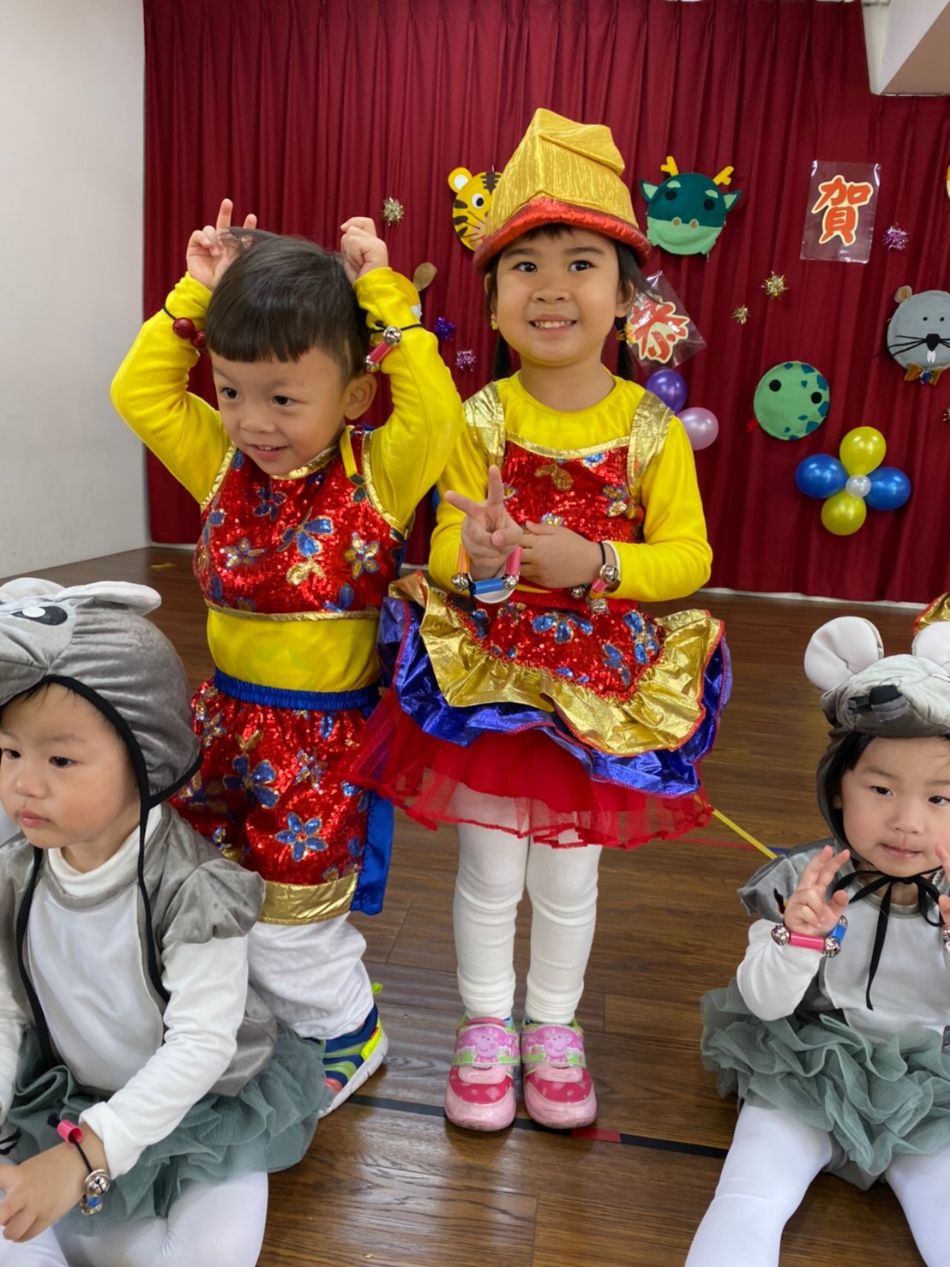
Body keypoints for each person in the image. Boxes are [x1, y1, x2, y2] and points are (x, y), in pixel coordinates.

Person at [352, 109, 730, 1131]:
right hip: (493, 675)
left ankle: (553, 1027)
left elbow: (690, 556)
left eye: (579, 264)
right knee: (488, 867)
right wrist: (478, 559)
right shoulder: (478, 418)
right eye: (523, 267)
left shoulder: (652, 430)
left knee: (567, 872)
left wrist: (597, 561)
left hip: (598, 684)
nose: (551, 288)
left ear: (626, 295)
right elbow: (441, 539)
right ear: (491, 299)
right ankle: (485, 1023)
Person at [111, 201, 464, 1112]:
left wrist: (381, 293)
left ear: (353, 396)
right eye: (231, 391)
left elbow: (436, 409)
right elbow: (139, 392)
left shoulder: (377, 475)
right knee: (215, 892)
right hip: (223, 724)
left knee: (290, 918)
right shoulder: (219, 463)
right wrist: (195, 293)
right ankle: (254, 1019)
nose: (251, 422)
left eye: (283, 398)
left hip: (321, 745)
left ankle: (351, 1029)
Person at [0, 577, 326, 1266]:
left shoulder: (192, 887)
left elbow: (200, 1046)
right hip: (71, 1095)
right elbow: (6, 1014)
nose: (24, 783)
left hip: (200, 1108)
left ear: (145, 752)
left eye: (60, 759)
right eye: (9, 752)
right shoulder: (14, 874)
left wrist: (85, 1155)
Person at [687, 596, 950, 1267]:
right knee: (749, 1197)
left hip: (932, 1084)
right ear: (838, 788)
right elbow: (764, 1001)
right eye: (881, 789)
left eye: (939, 797)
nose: (908, 822)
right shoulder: (806, 881)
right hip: (808, 1065)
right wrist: (797, 938)